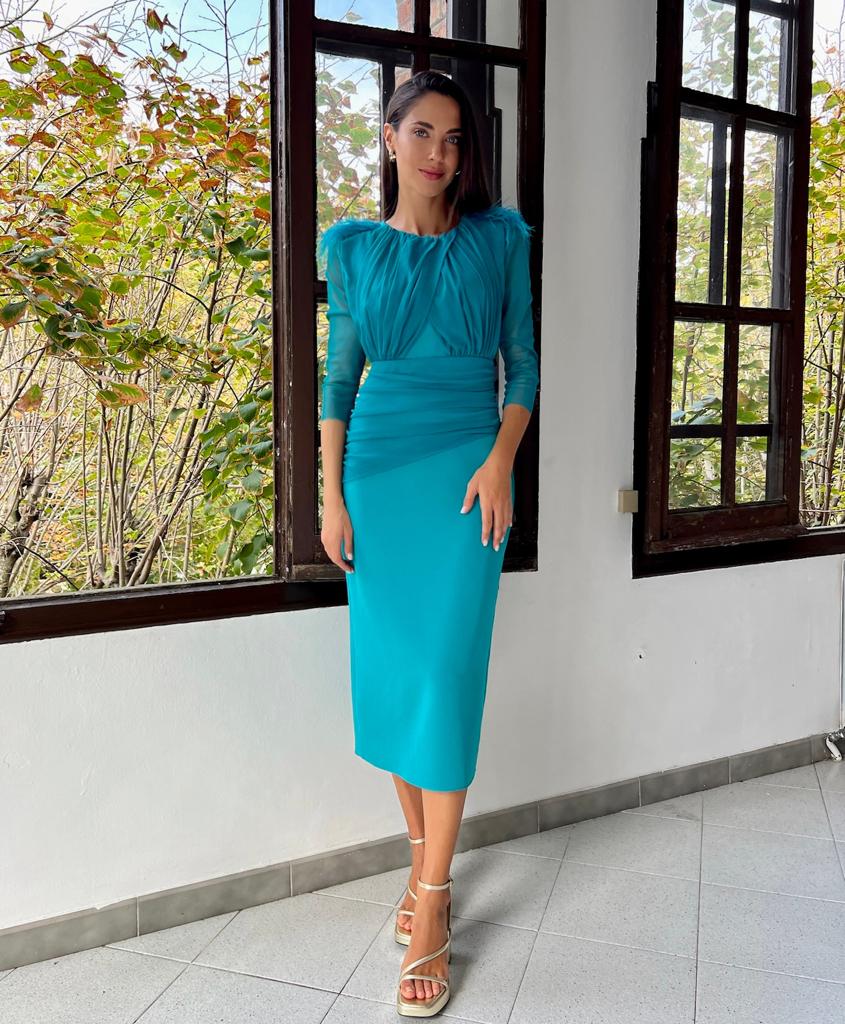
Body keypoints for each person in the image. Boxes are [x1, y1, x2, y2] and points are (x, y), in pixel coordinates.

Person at [319, 69, 539, 1018]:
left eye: (454, 138)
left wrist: (500, 461)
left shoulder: (499, 239)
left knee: (444, 679)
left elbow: (522, 363)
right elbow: (338, 383)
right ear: (390, 138)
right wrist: (330, 497)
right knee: (401, 677)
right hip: (377, 475)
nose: (439, 153)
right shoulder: (354, 249)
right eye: (422, 133)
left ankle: (436, 902)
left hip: (466, 477)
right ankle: (419, 867)